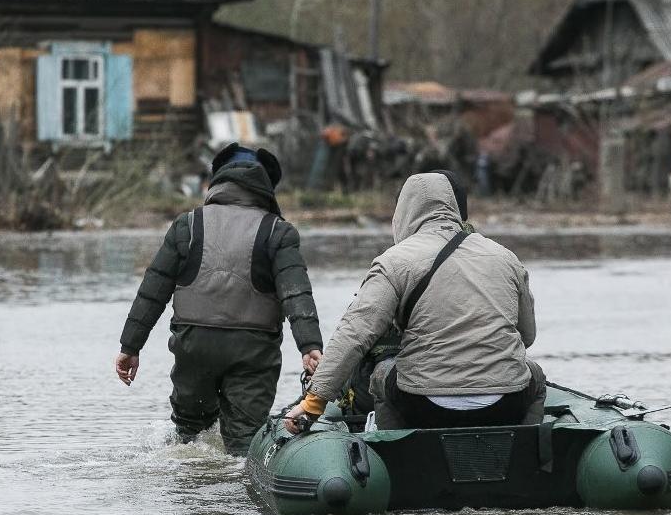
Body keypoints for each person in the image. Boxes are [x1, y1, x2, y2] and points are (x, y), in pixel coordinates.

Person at [285, 170, 543, 433]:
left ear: (404, 212)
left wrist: (314, 402)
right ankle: (528, 449)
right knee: (535, 374)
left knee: (382, 373)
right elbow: (527, 335)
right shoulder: (506, 258)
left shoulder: (394, 261)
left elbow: (355, 333)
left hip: (426, 405)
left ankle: (391, 450)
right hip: (505, 402)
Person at [114, 143, 323, 454]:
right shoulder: (278, 232)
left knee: (190, 437)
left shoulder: (187, 225)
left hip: (194, 347)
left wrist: (130, 347)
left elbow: (152, 290)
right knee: (244, 444)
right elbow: (296, 293)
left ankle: (189, 479)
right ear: (267, 188)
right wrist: (309, 346)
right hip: (253, 351)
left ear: (218, 180)